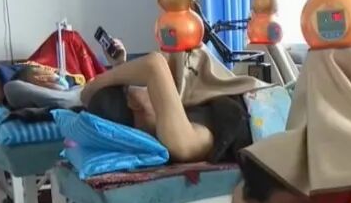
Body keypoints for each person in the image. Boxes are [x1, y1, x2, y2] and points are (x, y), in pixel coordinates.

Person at [80, 39, 264, 164]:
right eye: (138, 86)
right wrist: (92, 87)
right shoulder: (176, 141)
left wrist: (119, 64)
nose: (149, 87)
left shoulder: (170, 125)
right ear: (133, 102)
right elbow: (154, 65)